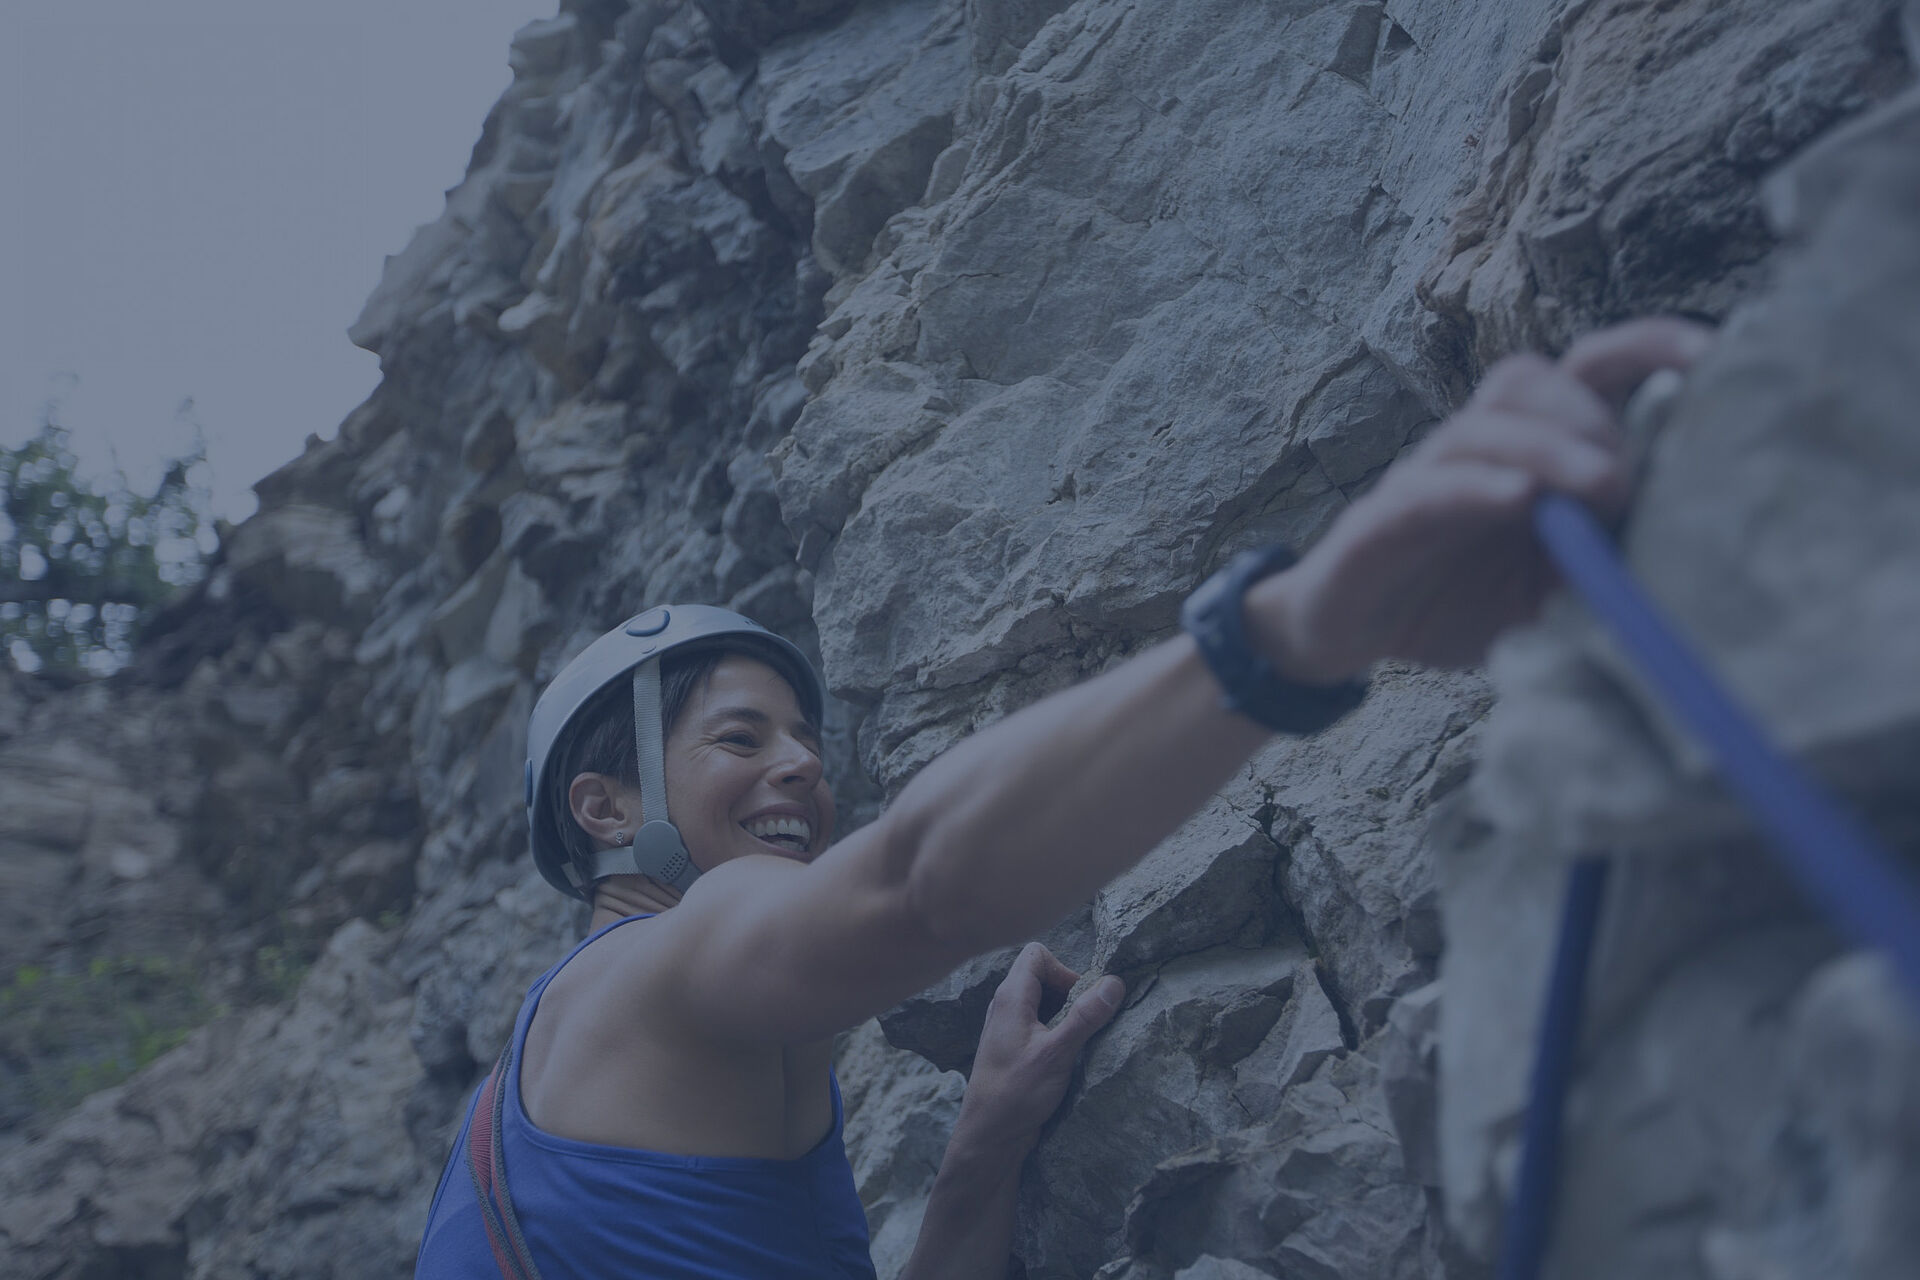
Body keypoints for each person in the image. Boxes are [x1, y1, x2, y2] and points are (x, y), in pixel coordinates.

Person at [414, 319, 1711, 1277]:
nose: (803, 767)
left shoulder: (533, 1117)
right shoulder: (671, 960)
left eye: (806, 737)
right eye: (740, 738)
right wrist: (1297, 627)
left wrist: (979, 1155)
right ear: (603, 809)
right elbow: (916, 888)